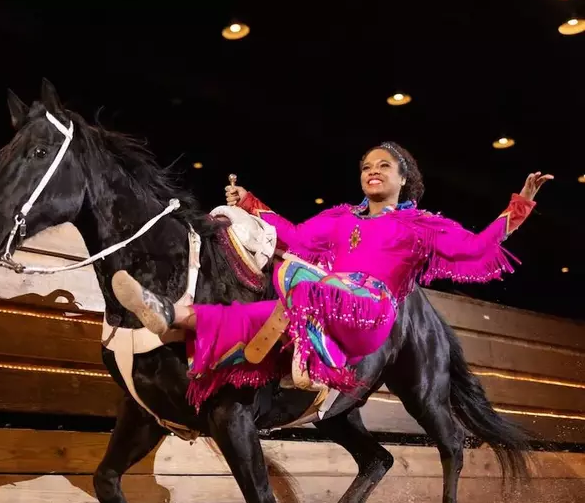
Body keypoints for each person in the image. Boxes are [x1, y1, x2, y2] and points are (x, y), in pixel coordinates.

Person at [111, 142, 552, 409]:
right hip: (321, 299)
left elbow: (477, 248)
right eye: (366, 167)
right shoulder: (341, 219)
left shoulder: (421, 226)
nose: (373, 171)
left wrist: (520, 205)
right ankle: (170, 313)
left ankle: (316, 359)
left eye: (383, 166)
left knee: (299, 279)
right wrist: (249, 202)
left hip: (371, 312)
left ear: (404, 179)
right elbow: (297, 237)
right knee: (258, 307)